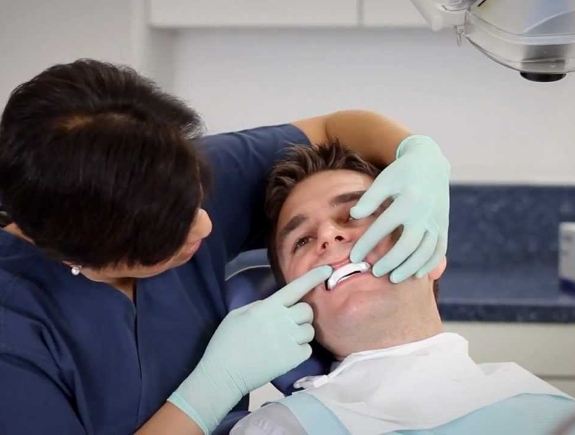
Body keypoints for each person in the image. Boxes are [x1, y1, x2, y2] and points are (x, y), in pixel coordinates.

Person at [0, 59, 450, 435]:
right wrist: (211, 389)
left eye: (198, 196)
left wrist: (419, 154)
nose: (206, 224)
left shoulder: (154, 171)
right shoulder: (15, 332)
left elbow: (336, 128)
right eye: (301, 239)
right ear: (81, 256)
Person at [231, 143, 575, 435]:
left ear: (431, 251)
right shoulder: (279, 428)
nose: (327, 235)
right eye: (301, 240)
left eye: (354, 214)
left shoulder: (553, 415)